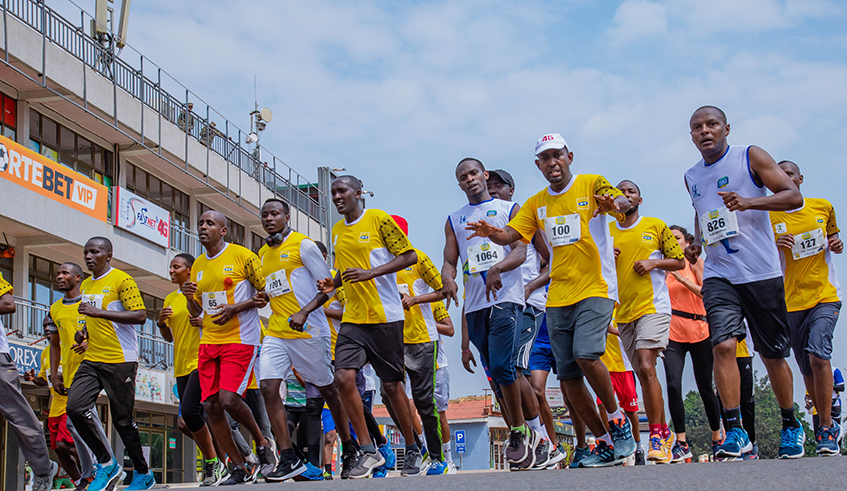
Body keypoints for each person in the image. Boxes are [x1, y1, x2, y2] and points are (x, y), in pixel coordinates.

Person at [465, 134, 637, 467]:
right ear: (538, 165)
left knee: (587, 354)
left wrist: (614, 205)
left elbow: (622, 203)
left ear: (569, 156)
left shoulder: (591, 184)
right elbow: (510, 236)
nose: (552, 162)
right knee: (569, 376)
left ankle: (617, 422)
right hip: (558, 296)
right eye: (545, 158)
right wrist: (491, 233)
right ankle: (602, 442)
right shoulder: (535, 203)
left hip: (596, 288)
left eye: (557, 155)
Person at [684, 106, 804, 459]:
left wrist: (750, 202)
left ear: (726, 129)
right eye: (697, 127)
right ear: (691, 135)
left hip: (760, 272)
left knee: (772, 355)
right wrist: (696, 241)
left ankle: (791, 423)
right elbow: (701, 209)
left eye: (712, 125)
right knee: (722, 346)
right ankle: (735, 431)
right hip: (720, 273)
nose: (705, 131)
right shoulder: (691, 175)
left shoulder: (749, 156)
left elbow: (792, 197)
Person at [317, 175, 422, 478]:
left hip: (386, 316)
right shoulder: (337, 230)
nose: (337, 197)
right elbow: (347, 271)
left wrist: (371, 273)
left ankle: (413, 448)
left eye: (342, 191)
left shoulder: (378, 219)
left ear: (358, 193)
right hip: (353, 318)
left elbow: (409, 256)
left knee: (391, 387)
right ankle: (368, 449)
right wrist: (333, 281)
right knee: (343, 379)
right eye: (333, 192)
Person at [442, 157, 538, 469]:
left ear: (484, 175)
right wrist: (447, 279)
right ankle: (524, 435)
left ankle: (520, 431)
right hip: (475, 305)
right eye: (462, 176)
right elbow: (450, 260)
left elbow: (521, 251)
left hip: (506, 297)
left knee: (502, 365)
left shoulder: (510, 210)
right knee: (495, 373)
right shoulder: (454, 218)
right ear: (459, 183)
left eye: (473, 173)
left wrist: (498, 267)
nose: (469, 179)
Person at [256, 198, 355, 480]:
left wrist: (305, 311)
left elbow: (329, 287)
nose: (269, 218)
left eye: (275, 214)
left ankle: (349, 448)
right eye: (264, 215)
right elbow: (276, 289)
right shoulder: (263, 253)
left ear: (287, 217)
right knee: (268, 387)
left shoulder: (304, 245)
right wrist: (264, 296)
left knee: (328, 391)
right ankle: (288, 458)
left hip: (309, 331)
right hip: (277, 331)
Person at [182, 211, 277, 484]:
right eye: (200, 222)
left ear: (223, 230)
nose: (203, 227)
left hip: (241, 338)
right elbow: (198, 308)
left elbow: (265, 294)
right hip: (209, 340)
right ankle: (240, 467)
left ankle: (262, 443)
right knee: (210, 406)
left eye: (209, 223)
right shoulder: (198, 265)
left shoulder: (242, 256)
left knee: (229, 399)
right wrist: (190, 298)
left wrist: (236, 307)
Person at [486, 169, 560, 468]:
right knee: (501, 378)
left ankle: (544, 443)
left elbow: (551, 263)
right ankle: (534, 442)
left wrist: (530, 287)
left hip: (528, 305)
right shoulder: (486, 229)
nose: (492, 191)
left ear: (511, 190)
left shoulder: (526, 222)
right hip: (497, 306)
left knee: (517, 369)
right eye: (488, 187)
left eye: (498, 187)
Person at [68, 237, 155, 490]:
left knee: (122, 421)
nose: (88, 256)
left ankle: (143, 473)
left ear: (109, 255)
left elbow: (140, 316)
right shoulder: (85, 284)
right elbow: (87, 316)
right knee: (75, 407)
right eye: (86, 252)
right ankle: (107, 465)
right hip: (93, 358)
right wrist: (82, 332)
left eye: (95, 251)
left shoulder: (122, 280)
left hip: (121, 360)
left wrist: (99, 314)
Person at [769, 160, 842, 455]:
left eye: (789, 173)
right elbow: (758, 255)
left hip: (824, 296)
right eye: (778, 173)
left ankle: (826, 426)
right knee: (806, 368)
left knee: (818, 356)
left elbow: (833, 237)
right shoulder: (768, 216)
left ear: (800, 179)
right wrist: (775, 243)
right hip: (789, 303)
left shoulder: (822, 207)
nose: (783, 177)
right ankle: (822, 417)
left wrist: (836, 243)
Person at [609, 180, 685, 463]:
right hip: (623, 312)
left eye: (631, 191)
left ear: (639, 200)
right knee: (644, 374)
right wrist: (605, 254)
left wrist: (653, 263)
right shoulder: (605, 231)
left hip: (653, 307)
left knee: (645, 365)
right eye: (620, 192)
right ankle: (664, 433)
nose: (625, 195)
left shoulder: (655, 226)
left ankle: (655, 433)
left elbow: (678, 261)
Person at [158, 254, 227, 486]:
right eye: (170, 267)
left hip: (201, 361)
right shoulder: (169, 297)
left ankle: (215, 462)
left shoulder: (199, 291)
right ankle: (224, 461)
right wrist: (160, 323)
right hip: (180, 365)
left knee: (190, 413)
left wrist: (201, 319)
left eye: (176, 267)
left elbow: (214, 317)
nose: (171, 270)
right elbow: (169, 336)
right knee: (188, 421)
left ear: (189, 270)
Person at [390, 214, 448, 475]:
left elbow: (444, 290)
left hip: (422, 340)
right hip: (390, 341)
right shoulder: (377, 265)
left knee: (425, 402)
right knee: (389, 395)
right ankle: (415, 449)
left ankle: (438, 458)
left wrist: (415, 300)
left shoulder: (418, 258)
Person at [45, 263, 111, 489]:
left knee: (86, 420)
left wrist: (89, 344)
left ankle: (104, 471)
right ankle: (94, 472)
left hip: (93, 371)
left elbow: (107, 333)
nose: (60, 277)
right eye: (58, 273)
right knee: (76, 426)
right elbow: (55, 345)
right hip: (70, 375)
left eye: (64, 273)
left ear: (78, 277)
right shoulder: (55, 309)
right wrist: (54, 376)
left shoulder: (90, 303)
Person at [663, 225, 724, 461]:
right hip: (672, 333)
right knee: (673, 385)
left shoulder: (695, 262)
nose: (672, 241)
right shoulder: (662, 267)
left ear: (687, 242)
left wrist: (681, 278)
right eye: (668, 238)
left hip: (700, 331)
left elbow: (705, 292)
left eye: (676, 238)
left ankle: (717, 437)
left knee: (705, 387)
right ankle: (681, 441)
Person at [26, 348, 80, 485]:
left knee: (64, 444)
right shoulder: (46, 352)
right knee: (58, 451)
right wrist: (34, 379)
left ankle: (95, 465)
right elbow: (45, 381)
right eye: (44, 325)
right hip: (54, 409)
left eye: (50, 325)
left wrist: (60, 377)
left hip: (69, 406)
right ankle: (80, 483)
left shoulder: (70, 345)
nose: (47, 328)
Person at [528, 316, 572, 467]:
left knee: (571, 396)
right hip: (537, 344)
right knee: (536, 391)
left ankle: (582, 447)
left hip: (561, 341)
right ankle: (553, 446)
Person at [596, 323, 643, 465]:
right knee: (602, 405)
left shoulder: (623, 312)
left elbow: (635, 337)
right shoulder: (599, 310)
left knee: (631, 411)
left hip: (624, 368)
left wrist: (614, 331)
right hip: (604, 368)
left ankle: (638, 447)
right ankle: (610, 444)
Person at [432, 302, 459, 474]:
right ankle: (430, 455)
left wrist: (426, 322)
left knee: (441, 415)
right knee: (419, 413)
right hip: (413, 369)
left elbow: (450, 330)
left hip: (438, 367)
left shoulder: (434, 302)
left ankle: (449, 461)